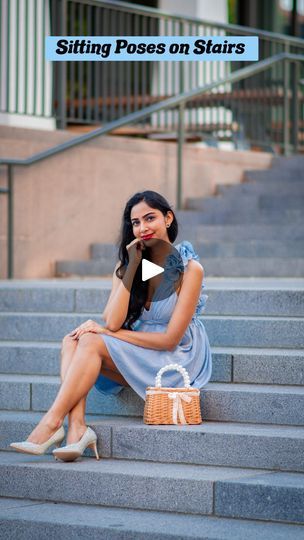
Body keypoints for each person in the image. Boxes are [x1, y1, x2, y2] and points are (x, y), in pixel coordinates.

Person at [9, 190, 212, 462]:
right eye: (135, 223)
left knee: (91, 339)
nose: (142, 228)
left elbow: (169, 340)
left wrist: (104, 332)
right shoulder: (130, 264)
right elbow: (113, 321)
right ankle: (77, 428)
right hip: (141, 350)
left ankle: (52, 422)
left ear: (168, 218)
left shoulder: (189, 268)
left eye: (149, 218)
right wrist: (132, 267)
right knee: (73, 339)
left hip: (175, 359)